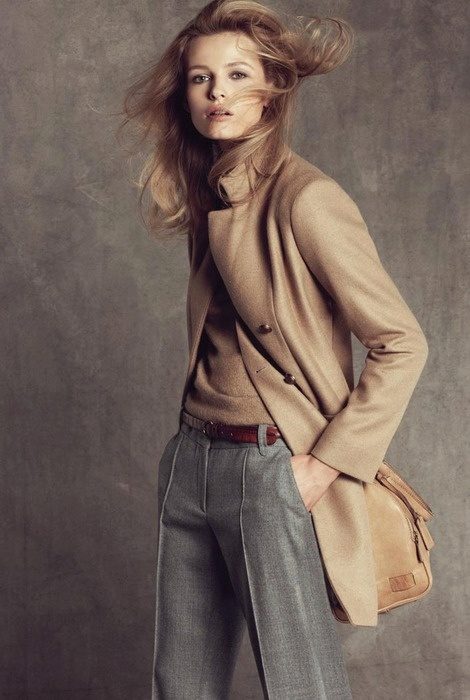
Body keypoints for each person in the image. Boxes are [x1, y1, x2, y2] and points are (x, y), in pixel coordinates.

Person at [119, 1, 428, 698]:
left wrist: (322, 466)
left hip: (269, 469)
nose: (217, 92)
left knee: (299, 686)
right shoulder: (215, 192)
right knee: (180, 685)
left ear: (272, 88)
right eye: (201, 77)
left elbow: (402, 342)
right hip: (191, 459)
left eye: (236, 74)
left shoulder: (305, 198)